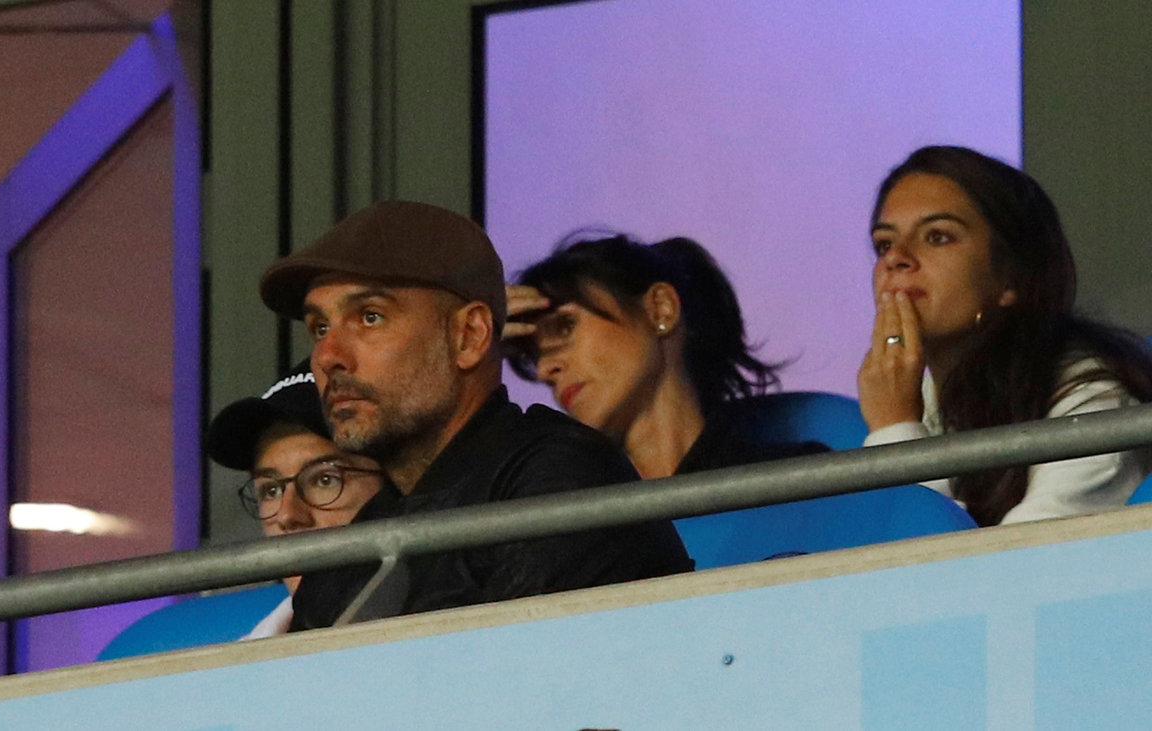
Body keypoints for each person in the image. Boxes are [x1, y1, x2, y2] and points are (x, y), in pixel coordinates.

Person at [258, 201, 693, 629]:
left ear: (469, 336)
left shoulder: (560, 479)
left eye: (370, 317)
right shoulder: (357, 548)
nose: (327, 356)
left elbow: (515, 670)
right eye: (320, 328)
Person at [858, 145, 1152, 526]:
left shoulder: (1093, 397)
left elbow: (1018, 559)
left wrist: (896, 429)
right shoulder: (924, 396)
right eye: (884, 243)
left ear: (1011, 275)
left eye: (937, 237)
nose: (896, 257)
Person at [505, 234, 827, 479]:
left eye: (564, 325)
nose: (544, 369)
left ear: (661, 310)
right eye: (534, 356)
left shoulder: (799, 480)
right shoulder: (568, 519)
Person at [205, 359, 382, 638]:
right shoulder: (239, 661)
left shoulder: (450, 632)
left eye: (324, 480)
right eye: (271, 490)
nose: (287, 515)